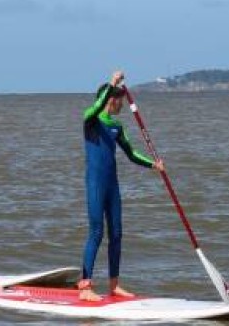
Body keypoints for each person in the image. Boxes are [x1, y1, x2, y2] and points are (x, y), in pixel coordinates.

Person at [77, 70, 164, 301]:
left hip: (112, 186)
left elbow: (132, 153)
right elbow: (96, 106)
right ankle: (85, 288)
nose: (122, 106)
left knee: (116, 233)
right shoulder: (91, 120)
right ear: (111, 100)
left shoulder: (117, 127)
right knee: (96, 232)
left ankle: (114, 285)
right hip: (96, 184)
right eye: (120, 102)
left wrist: (153, 165)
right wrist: (112, 83)